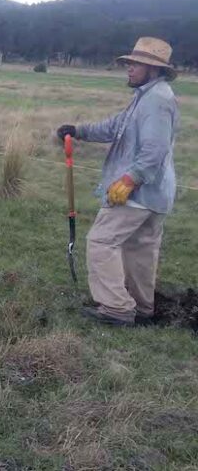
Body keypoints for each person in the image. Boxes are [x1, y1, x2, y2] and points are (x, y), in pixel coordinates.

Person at [56, 37, 179, 327]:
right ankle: (142, 308)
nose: (129, 68)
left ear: (154, 69)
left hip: (136, 192)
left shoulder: (157, 100)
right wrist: (80, 130)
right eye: (130, 63)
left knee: (101, 241)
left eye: (136, 64)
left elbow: (155, 149)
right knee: (140, 250)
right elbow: (115, 127)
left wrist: (129, 179)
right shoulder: (147, 96)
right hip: (155, 194)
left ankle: (116, 308)